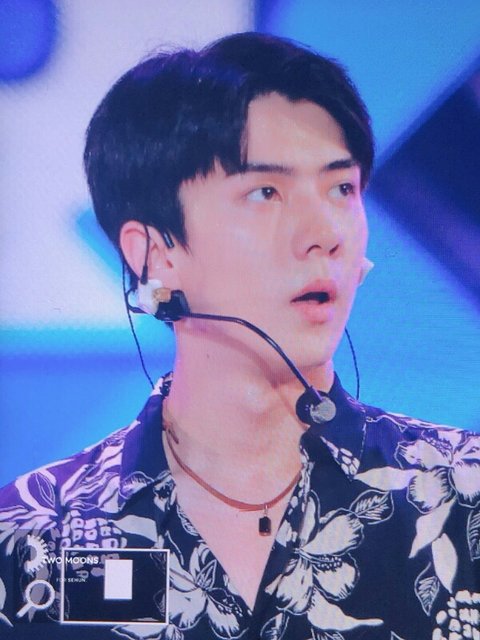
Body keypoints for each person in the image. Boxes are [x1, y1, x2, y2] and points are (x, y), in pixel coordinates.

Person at [0, 32, 478, 640]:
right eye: (265, 193)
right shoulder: (33, 537)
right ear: (153, 255)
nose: (324, 233)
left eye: (342, 189)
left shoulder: (463, 500)